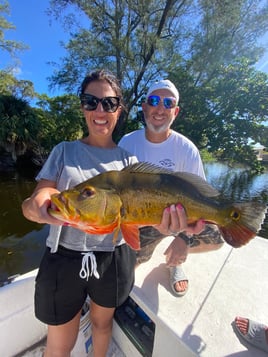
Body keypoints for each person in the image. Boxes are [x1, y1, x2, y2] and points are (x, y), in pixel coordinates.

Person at [22, 70, 201, 357]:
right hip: (63, 259)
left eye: (108, 103)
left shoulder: (128, 159)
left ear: (119, 109)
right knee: (59, 342)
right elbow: (41, 194)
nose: (99, 110)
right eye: (90, 102)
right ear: (82, 106)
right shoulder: (64, 151)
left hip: (112, 259)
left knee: (101, 325)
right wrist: (39, 206)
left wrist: (174, 228)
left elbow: (138, 217)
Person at [119, 79, 224, 296]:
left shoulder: (187, 149)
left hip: (184, 219)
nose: (160, 108)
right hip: (143, 221)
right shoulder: (127, 143)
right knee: (123, 276)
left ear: (175, 112)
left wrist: (184, 238)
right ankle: (146, 254)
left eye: (168, 103)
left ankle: (175, 260)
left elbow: (202, 196)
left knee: (217, 237)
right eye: (154, 101)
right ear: (145, 107)